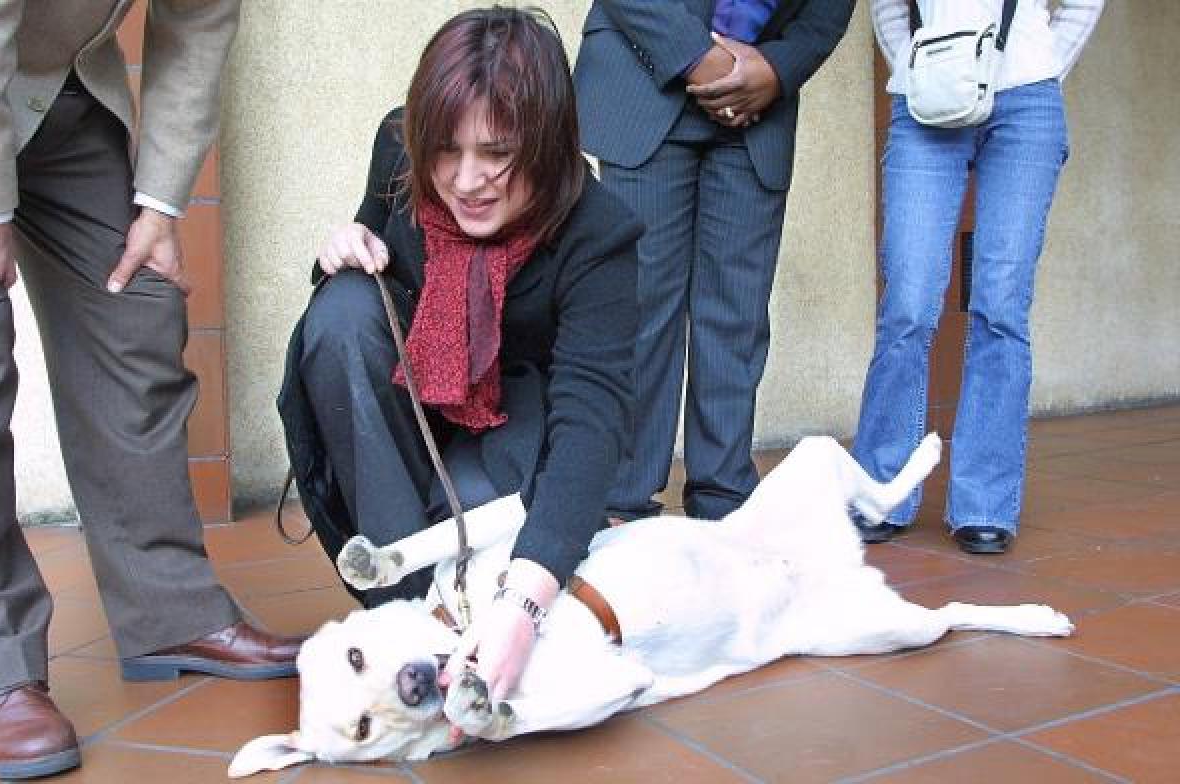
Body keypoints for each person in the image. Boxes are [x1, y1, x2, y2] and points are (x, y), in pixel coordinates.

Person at [0, 3, 304, 779]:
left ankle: (170, 613)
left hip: (58, 92)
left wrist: (162, 203)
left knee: (137, 305)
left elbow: (199, 21)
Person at [277, 7, 642, 733]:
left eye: (497, 153)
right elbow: (367, 270)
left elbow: (591, 419)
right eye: (445, 151)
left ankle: (473, 617)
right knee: (343, 312)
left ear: (545, 144)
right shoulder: (398, 150)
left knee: (498, 543)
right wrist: (342, 247)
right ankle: (406, 620)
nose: (466, 181)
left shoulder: (597, 231)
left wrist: (526, 606)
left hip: (511, 443)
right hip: (407, 414)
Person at [573, 0, 856, 524]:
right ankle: (622, 505)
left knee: (737, 312)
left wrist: (776, 69)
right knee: (641, 306)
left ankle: (724, 504)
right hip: (644, 81)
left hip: (759, 106)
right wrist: (704, 62)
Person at [850, 0, 1104, 553]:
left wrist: (1035, 69)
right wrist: (920, 67)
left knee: (1001, 306)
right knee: (909, 303)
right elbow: (889, 6)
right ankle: (882, 490)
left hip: (1026, 105)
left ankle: (984, 504)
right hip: (925, 99)